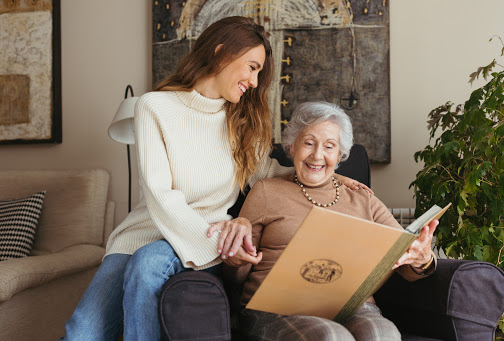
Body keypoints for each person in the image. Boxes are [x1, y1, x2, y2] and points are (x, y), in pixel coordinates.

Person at [61, 17, 368, 341]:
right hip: (149, 234)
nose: (253, 80)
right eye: (251, 67)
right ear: (221, 52)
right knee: (80, 333)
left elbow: (264, 171)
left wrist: (328, 176)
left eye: (258, 73)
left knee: (149, 263)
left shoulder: (241, 121)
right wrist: (212, 235)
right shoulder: (153, 107)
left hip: (199, 244)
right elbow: (160, 193)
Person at [212, 101, 438, 341]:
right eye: (308, 143)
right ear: (292, 147)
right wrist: (235, 260)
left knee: (383, 333)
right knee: (330, 336)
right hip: (277, 309)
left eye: (329, 146)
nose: (317, 155)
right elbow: (236, 275)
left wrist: (422, 258)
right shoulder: (266, 191)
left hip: (351, 306)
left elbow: (405, 261)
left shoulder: (364, 199)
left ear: (340, 154)